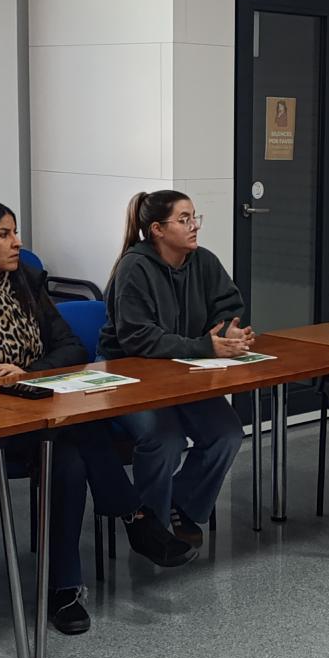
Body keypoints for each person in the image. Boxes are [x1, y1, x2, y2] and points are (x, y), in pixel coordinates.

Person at [0, 200, 193, 636]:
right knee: (78, 437)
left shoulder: (25, 281)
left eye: (15, 232)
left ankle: (65, 589)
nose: (17, 243)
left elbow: (72, 347)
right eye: (3, 234)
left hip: (42, 411)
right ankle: (134, 520)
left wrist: (28, 375)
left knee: (69, 459)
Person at [99, 190, 252, 543]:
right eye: (184, 220)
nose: (194, 225)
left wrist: (228, 333)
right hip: (129, 374)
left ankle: (182, 503)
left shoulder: (203, 261)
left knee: (227, 433)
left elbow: (227, 306)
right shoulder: (134, 267)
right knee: (164, 440)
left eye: (194, 217)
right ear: (157, 229)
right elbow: (138, 339)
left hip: (184, 370)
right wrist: (204, 346)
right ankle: (150, 529)